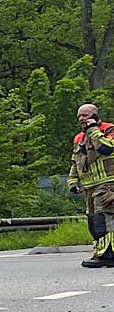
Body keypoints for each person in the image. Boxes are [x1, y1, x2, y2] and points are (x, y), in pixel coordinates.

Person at [68, 103, 114, 268]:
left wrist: (94, 130)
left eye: (85, 115)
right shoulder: (79, 138)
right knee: (93, 221)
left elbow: (107, 148)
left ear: (95, 115)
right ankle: (101, 252)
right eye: (79, 116)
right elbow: (76, 162)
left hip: (108, 184)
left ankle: (109, 255)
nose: (81, 119)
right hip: (89, 187)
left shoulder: (108, 130)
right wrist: (73, 181)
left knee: (104, 218)